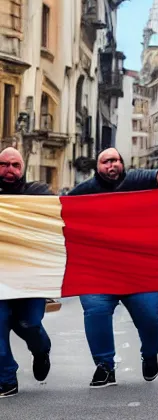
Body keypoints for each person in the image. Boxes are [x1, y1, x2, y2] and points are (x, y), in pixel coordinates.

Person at [67, 148, 158, 388]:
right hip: (98, 273)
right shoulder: (82, 193)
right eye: (106, 161)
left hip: (138, 272)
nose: (112, 165)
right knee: (95, 313)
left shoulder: (135, 180)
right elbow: (59, 213)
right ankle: (105, 367)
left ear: (122, 164)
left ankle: (150, 354)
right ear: (97, 167)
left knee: (152, 319)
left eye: (116, 160)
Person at [0, 147, 52, 398]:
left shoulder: (38, 193)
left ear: (23, 169)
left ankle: (41, 350)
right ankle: (7, 378)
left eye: (15, 165)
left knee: (28, 324)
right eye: (3, 164)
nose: (9, 170)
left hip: (28, 278)